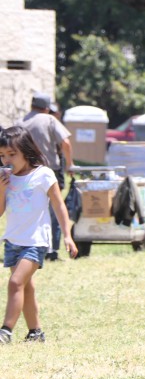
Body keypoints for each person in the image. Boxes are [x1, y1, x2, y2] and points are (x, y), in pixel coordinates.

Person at [0, 126, 78, 344]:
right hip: (13, 241)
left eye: (11, 154)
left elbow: (59, 205)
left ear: (26, 150)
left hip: (35, 242)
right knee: (26, 286)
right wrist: (1, 189)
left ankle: (5, 331)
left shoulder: (43, 174)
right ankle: (35, 332)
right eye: (2, 155)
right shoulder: (5, 178)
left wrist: (67, 236)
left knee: (16, 283)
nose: (6, 160)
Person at [17, 92, 74, 262]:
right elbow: (66, 143)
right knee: (54, 209)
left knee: (30, 211)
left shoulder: (20, 122)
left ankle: (24, 247)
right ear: (47, 108)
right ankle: (52, 250)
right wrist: (70, 164)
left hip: (25, 173)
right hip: (49, 171)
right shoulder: (49, 120)